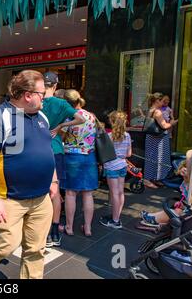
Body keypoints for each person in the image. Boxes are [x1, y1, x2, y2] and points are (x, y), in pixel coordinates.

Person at [0, 70, 56, 279]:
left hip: (41, 198)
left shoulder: (42, 117)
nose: (45, 98)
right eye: (42, 94)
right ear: (28, 95)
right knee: (5, 246)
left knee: (36, 249)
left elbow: (47, 150)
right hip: (10, 199)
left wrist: (54, 179)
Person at [41, 72, 85, 247]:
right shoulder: (61, 103)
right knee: (55, 193)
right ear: (55, 86)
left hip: (37, 150)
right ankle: (53, 231)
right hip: (55, 149)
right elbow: (80, 118)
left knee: (41, 191)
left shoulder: (36, 102)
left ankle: (40, 229)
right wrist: (61, 125)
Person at [61, 90, 98, 237]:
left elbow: (61, 135)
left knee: (71, 193)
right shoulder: (90, 116)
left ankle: (69, 227)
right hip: (89, 157)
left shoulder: (69, 117)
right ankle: (88, 228)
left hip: (72, 157)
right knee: (88, 194)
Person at [141, 149, 192, 225]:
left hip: (189, 212)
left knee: (176, 211)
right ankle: (155, 216)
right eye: (184, 167)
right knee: (176, 207)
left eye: (188, 169)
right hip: (187, 206)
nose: (185, 170)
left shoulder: (191, 187)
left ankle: (156, 219)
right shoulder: (186, 183)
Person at [99, 111, 132, 229]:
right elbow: (129, 154)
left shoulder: (109, 136)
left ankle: (115, 220)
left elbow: (104, 153)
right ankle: (116, 216)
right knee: (120, 192)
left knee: (114, 193)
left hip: (111, 167)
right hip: (123, 165)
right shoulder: (127, 135)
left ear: (112, 122)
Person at [143, 93, 178, 189]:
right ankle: (151, 179)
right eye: (162, 101)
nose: (163, 103)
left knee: (151, 158)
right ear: (157, 101)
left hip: (151, 138)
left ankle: (151, 178)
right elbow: (164, 126)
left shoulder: (150, 110)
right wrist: (172, 123)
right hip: (158, 138)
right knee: (159, 158)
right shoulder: (157, 112)